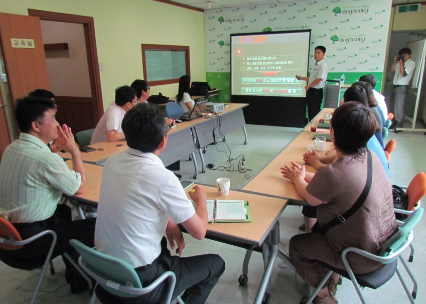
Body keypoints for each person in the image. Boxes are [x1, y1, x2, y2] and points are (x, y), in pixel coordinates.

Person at [95, 103, 225, 303]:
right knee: (216, 264)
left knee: (163, 246)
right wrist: (202, 202)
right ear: (164, 141)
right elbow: (199, 232)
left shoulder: (112, 162)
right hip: (141, 282)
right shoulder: (163, 178)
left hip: (105, 272)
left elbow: (137, 202)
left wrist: (169, 223)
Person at [282, 102, 397, 304]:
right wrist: (302, 174)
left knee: (298, 246)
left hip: (361, 257)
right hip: (384, 244)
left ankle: (324, 296)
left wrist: (297, 179)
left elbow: (310, 197)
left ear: (333, 134)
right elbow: (333, 184)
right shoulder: (369, 156)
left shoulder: (334, 173)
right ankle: (333, 277)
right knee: (321, 230)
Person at [0, 96, 96, 293]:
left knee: (63, 211)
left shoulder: (12, 148)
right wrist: (74, 151)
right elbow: (79, 187)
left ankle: (75, 274)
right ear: (36, 125)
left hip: (8, 237)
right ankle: (85, 282)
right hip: (31, 243)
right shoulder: (45, 159)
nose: (58, 124)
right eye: (53, 118)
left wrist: (55, 149)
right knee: (96, 225)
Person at [296, 46, 329, 121]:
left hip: (316, 91)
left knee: (314, 111)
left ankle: (315, 129)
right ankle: (311, 128)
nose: (316, 55)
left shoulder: (323, 66)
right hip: (311, 91)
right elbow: (312, 78)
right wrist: (301, 78)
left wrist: (309, 86)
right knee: (310, 111)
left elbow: (319, 79)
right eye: (315, 53)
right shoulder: (315, 64)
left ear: (323, 54)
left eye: (318, 53)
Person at [390, 47, 416, 131]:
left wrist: (401, 63)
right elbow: (392, 69)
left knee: (399, 106)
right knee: (395, 106)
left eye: (405, 56)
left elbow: (403, 73)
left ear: (409, 55)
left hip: (402, 87)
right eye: (402, 56)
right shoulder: (400, 63)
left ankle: (399, 125)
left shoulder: (411, 63)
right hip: (395, 86)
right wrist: (396, 62)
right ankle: (394, 123)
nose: (403, 57)